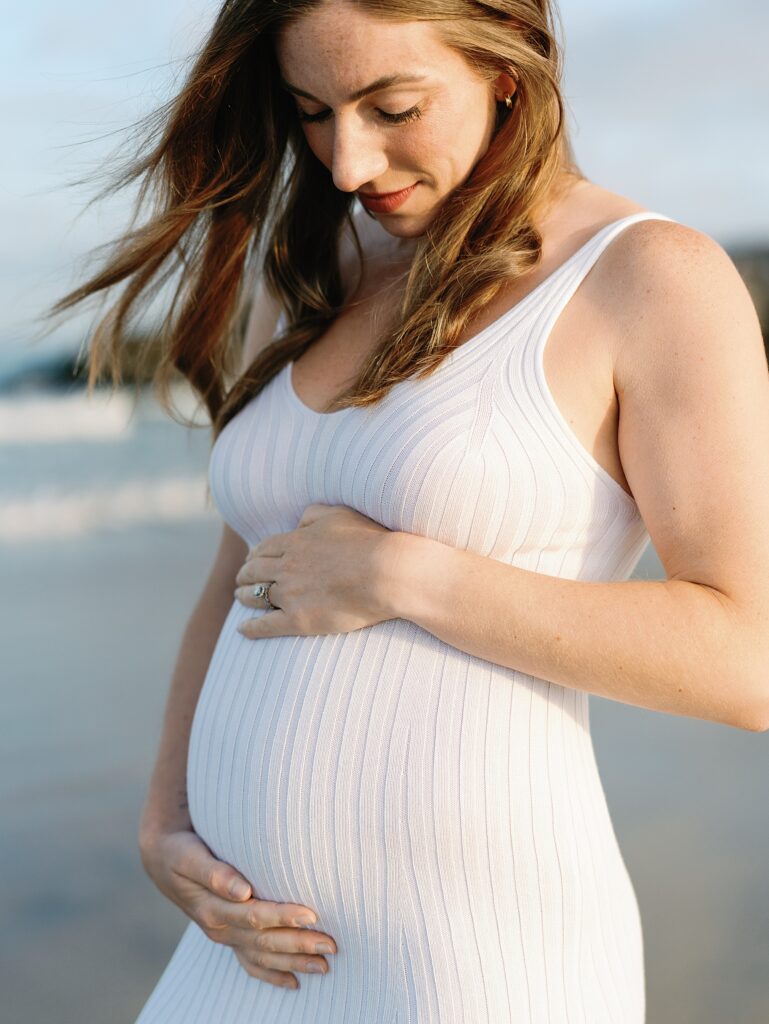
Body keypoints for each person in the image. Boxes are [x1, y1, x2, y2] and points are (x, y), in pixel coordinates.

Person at [48, 1, 769, 1021]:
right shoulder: (309, 273)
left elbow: (748, 658)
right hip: (243, 949)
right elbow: (245, 566)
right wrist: (165, 819)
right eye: (312, 112)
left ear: (504, 72)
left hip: (475, 959)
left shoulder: (651, 280)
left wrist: (410, 576)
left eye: (392, 106)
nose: (346, 162)